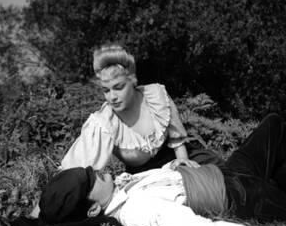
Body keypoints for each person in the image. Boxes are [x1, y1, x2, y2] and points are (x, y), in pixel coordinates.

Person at [37, 114, 286, 226]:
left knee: (273, 124)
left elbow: (156, 179)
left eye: (89, 169)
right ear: (94, 209)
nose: (96, 170)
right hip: (241, 195)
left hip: (226, 173)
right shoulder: (138, 212)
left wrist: (172, 167)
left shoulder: (121, 185)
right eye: (90, 180)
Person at [60, 45, 204, 174]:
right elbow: (75, 167)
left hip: (177, 158)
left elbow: (176, 138)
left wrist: (183, 160)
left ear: (132, 80)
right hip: (144, 177)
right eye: (106, 90)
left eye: (118, 87)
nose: (112, 97)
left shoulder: (156, 96)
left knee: (216, 175)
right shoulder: (103, 123)